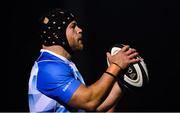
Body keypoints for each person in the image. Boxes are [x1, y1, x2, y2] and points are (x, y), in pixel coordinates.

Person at [28, 8, 141, 112]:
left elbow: (97, 106)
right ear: (58, 33)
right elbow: (89, 101)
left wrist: (121, 79)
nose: (80, 30)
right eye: (73, 26)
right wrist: (116, 65)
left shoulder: (61, 64)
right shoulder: (48, 68)